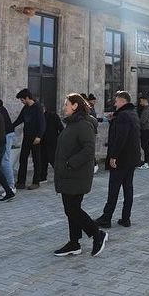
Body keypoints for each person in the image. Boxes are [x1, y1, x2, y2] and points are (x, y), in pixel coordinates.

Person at [53, 93, 107, 257]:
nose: (64, 107)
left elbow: (89, 149)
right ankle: (74, 243)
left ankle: (97, 234)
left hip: (76, 175)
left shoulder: (83, 124)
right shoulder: (72, 124)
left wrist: (70, 163)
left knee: (73, 209)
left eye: (66, 104)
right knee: (71, 209)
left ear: (75, 105)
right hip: (68, 175)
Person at [95, 91, 141, 229]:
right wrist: (113, 119)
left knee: (113, 189)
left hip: (121, 159)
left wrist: (114, 156)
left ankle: (106, 218)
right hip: (131, 158)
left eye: (116, 101)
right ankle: (126, 218)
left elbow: (120, 137)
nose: (114, 104)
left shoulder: (123, 116)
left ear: (122, 101)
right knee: (128, 188)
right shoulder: (132, 113)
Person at [12, 89, 46, 190]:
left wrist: (39, 136)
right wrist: (10, 126)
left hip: (35, 138)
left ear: (27, 98)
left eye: (22, 100)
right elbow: (20, 119)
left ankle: (36, 182)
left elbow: (42, 123)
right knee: (23, 159)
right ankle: (21, 182)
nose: (22, 102)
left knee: (36, 160)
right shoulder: (26, 108)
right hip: (26, 136)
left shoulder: (38, 107)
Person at [0, 96, 17, 196]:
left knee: (5, 160)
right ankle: (5, 185)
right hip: (4, 136)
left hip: (7, 135)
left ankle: (11, 186)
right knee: (0, 161)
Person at [40, 105, 64, 182]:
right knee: (43, 160)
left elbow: (60, 127)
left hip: (52, 141)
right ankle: (43, 177)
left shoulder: (52, 116)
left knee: (53, 160)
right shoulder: (40, 116)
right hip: (44, 141)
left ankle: (61, 176)